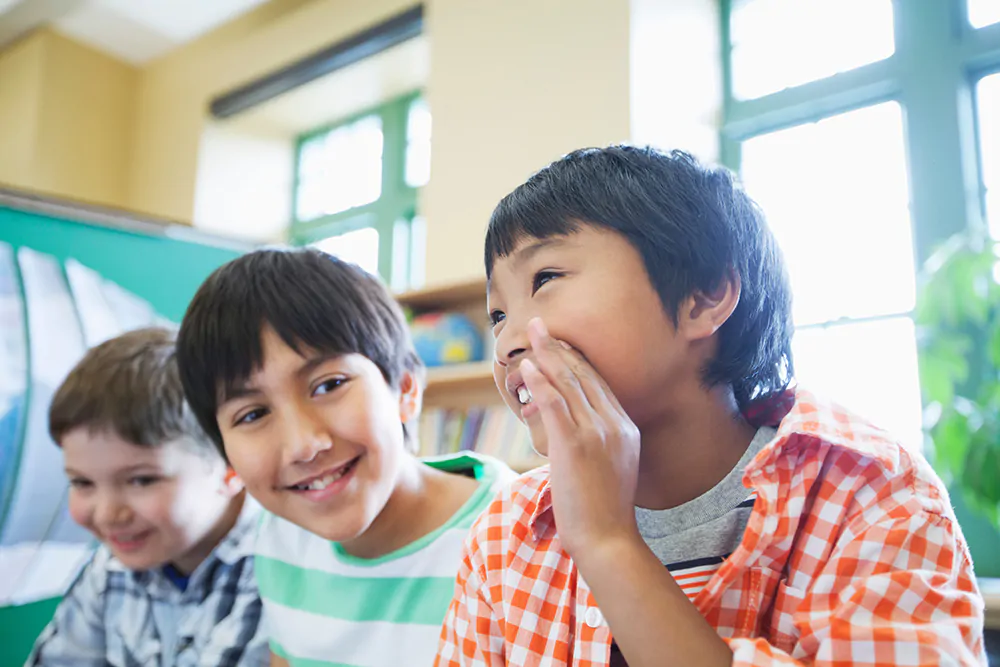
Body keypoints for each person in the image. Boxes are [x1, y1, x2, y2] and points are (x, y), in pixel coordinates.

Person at [436, 146, 986, 666]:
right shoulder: (507, 533)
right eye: (497, 315)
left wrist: (607, 543)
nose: (506, 343)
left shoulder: (872, 496)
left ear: (704, 297)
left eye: (546, 278)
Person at [177, 248, 514, 666]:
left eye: (328, 384)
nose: (304, 443)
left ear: (406, 390)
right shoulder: (279, 539)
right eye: (253, 414)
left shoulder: (514, 539)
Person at [28, 327, 266, 667]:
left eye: (141, 480)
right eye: (82, 483)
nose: (108, 514)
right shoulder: (111, 569)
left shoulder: (275, 572)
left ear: (231, 466)